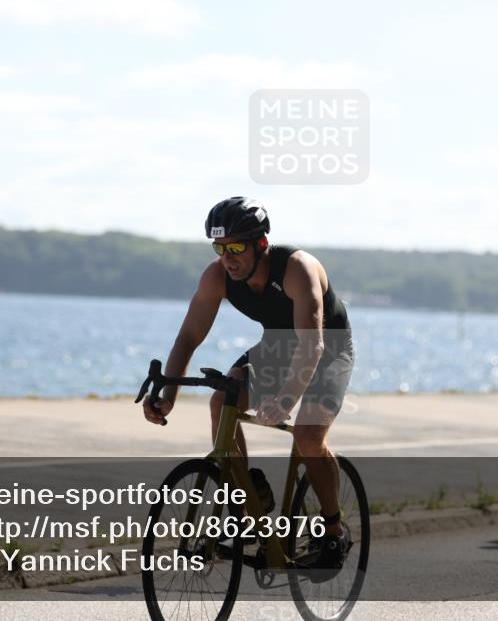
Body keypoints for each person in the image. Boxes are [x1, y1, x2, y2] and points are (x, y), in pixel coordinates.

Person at [142, 197, 355, 581]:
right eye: (219, 248)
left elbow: (313, 346)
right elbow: (189, 336)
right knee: (222, 400)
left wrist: (287, 399)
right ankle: (246, 504)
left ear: (261, 244)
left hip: (328, 349)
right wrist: (168, 396)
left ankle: (334, 531)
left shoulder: (298, 269)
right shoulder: (217, 277)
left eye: (236, 247)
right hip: (276, 348)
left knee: (308, 436)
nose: (227, 258)